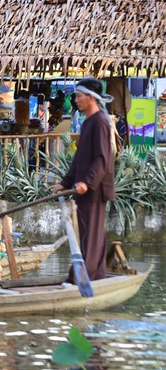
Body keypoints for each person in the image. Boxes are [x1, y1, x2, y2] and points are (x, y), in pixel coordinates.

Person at [53, 77, 116, 281]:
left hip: (94, 190)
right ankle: (88, 273)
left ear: (91, 98)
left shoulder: (100, 123)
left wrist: (86, 183)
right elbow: (79, 160)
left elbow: (102, 159)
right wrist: (65, 181)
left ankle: (89, 275)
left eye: (79, 96)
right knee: (85, 233)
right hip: (85, 189)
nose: (76, 100)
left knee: (91, 233)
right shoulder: (89, 122)